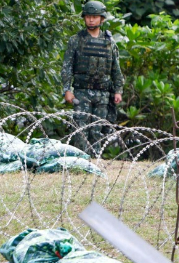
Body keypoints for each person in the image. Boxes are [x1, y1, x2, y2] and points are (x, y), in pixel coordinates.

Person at [61, 0, 124, 156]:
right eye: (88, 16)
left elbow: (116, 68)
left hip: (103, 93)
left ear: (101, 19)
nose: (91, 20)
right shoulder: (76, 40)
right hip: (82, 92)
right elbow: (67, 67)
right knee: (80, 129)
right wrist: (67, 90)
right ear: (84, 18)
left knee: (97, 130)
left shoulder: (109, 42)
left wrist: (118, 90)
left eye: (95, 17)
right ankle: (79, 162)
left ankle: (95, 161)